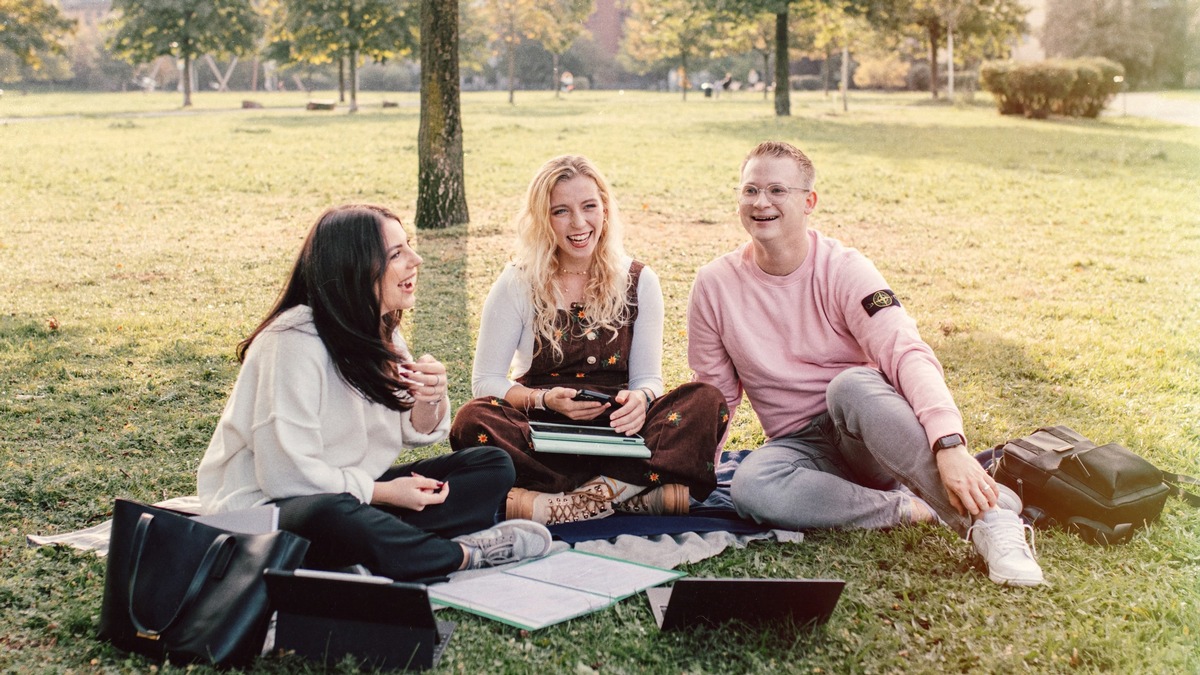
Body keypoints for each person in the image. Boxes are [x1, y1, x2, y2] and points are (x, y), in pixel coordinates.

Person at [686, 141, 1045, 586]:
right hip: (802, 450)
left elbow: (905, 351)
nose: (761, 203)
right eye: (750, 190)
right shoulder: (713, 284)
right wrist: (694, 472)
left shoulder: (844, 268)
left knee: (850, 385)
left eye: (778, 190)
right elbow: (715, 393)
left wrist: (949, 443)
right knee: (749, 485)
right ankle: (908, 508)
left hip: (867, 431)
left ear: (808, 201)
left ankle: (991, 520)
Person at [197, 204, 551, 582]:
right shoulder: (291, 342)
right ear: (356, 267)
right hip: (270, 510)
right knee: (333, 516)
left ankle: (376, 549)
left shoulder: (380, 329)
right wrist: (383, 493)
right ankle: (459, 555)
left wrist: (429, 396)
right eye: (397, 254)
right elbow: (286, 476)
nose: (415, 260)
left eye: (408, 246)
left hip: (354, 494)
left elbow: (411, 431)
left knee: (490, 466)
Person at [449, 155, 729, 526]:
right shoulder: (517, 281)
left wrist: (641, 400)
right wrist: (544, 399)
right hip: (544, 431)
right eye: (560, 211)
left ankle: (575, 501)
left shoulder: (639, 280)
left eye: (589, 207)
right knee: (472, 420)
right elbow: (486, 380)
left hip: (621, 430)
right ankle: (633, 494)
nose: (579, 223)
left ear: (606, 210)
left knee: (706, 400)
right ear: (542, 219)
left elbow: (648, 379)